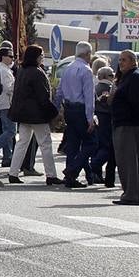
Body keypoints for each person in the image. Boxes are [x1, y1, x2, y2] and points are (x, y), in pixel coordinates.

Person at [7, 44, 60, 185]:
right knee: (45, 144)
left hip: (23, 114)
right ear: (36, 57)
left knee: (22, 143)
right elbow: (43, 96)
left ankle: (13, 172)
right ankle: (51, 175)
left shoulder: (21, 70)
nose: (42, 57)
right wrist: (53, 112)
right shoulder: (37, 72)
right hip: (37, 115)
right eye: (41, 55)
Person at [111, 50, 139, 206]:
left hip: (129, 124)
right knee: (134, 161)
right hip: (131, 123)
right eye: (120, 60)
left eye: (124, 60)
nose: (121, 63)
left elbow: (135, 101)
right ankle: (138, 195)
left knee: (127, 161)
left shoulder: (134, 76)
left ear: (133, 61)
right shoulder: (133, 76)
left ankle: (131, 195)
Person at [56, 41, 97, 189]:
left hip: (69, 109)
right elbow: (89, 97)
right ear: (87, 54)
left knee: (73, 144)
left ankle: (70, 177)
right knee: (91, 142)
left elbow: (59, 91)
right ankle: (72, 170)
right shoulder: (86, 70)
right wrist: (90, 118)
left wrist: (57, 108)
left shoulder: (68, 68)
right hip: (80, 110)